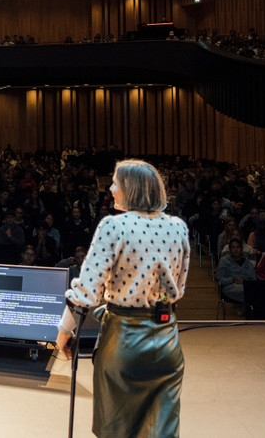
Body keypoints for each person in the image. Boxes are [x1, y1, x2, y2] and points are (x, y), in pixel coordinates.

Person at [56, 159, 189, 438]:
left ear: (132, 188)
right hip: (167, 341)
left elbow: (87, 291)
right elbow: (178, 286)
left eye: (116, 183)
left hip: (124, 341)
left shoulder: (113, 226)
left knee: (117, 432)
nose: (111, 189)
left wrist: (64, 329)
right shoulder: (178, 227)